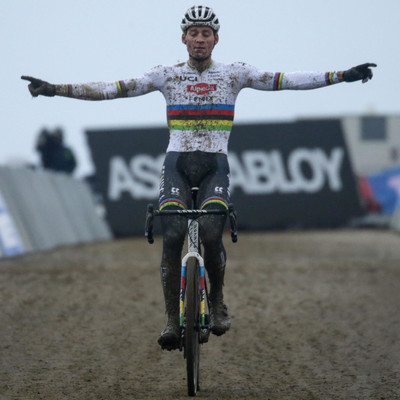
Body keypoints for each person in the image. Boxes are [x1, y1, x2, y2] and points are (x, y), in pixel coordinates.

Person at [22, 5, 376, 351]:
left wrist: (341, 75)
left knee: (210, 232)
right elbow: (113, 88)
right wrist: (56, 88)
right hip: (177, 164)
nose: (200, 40)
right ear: (183, 38)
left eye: (206, 34)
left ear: (216, 39)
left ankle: (218, 301)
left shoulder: (235, 74)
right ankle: (172, 321)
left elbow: (286, 81)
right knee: (172, 235)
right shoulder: (167, 74)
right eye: (194, 33)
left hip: (214, 166)